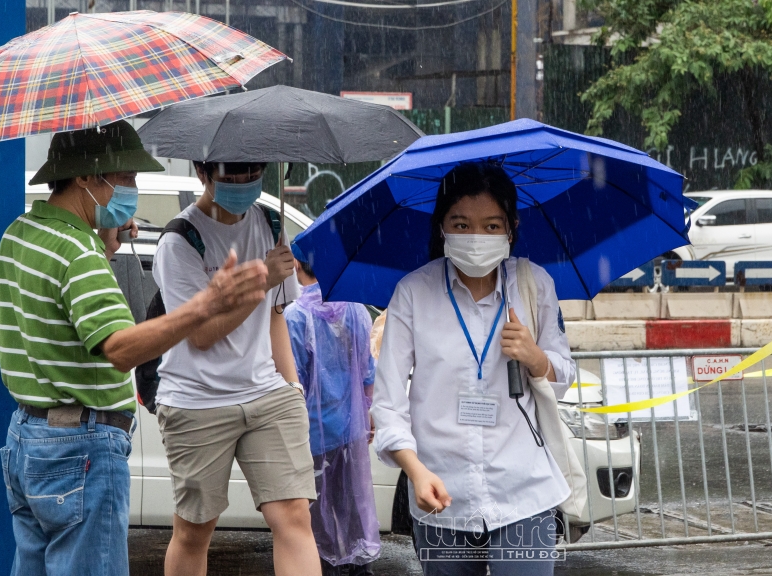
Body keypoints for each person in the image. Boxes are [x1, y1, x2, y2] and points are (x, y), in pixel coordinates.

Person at [0, 121, 269, 576]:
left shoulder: (21, 233)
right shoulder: (76, 254)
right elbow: (121, 349)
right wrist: (205, 304)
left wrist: (106, 239)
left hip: (28, 440)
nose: (134, 190)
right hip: (79, 450)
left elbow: (61, 317)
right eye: (126, 178)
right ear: (86, 178)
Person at [370, 161, 577, 576]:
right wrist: (415, 471)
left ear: (511, 228)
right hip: (440, 494)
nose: (476, 238)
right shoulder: (413, 292)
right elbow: (388, 405)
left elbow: (564, 373)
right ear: (442, 227)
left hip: (524, 490)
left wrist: (535, 357)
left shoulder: (534, 285)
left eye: (491, 225)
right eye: (461, 225)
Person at [152, 160, 322, 576]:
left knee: (295, 517)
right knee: (195, 530)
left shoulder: (270, 220)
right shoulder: (179, 240)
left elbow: (276, 316)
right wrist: (261, 279)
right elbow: (201, 333)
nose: (244, 182)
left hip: (267, 393)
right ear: (202, 172)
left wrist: (293, 387)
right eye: (232, 172)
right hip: (197, 402)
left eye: (252, 171)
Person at [285, 248, 381, 575]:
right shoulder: (356, 310)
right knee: (352, 521)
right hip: (351, 432)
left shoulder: (295, 316)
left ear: (297, 264)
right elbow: (368, 373)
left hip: (309, 438)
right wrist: (366, 415)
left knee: (312, 529)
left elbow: (292, 383)